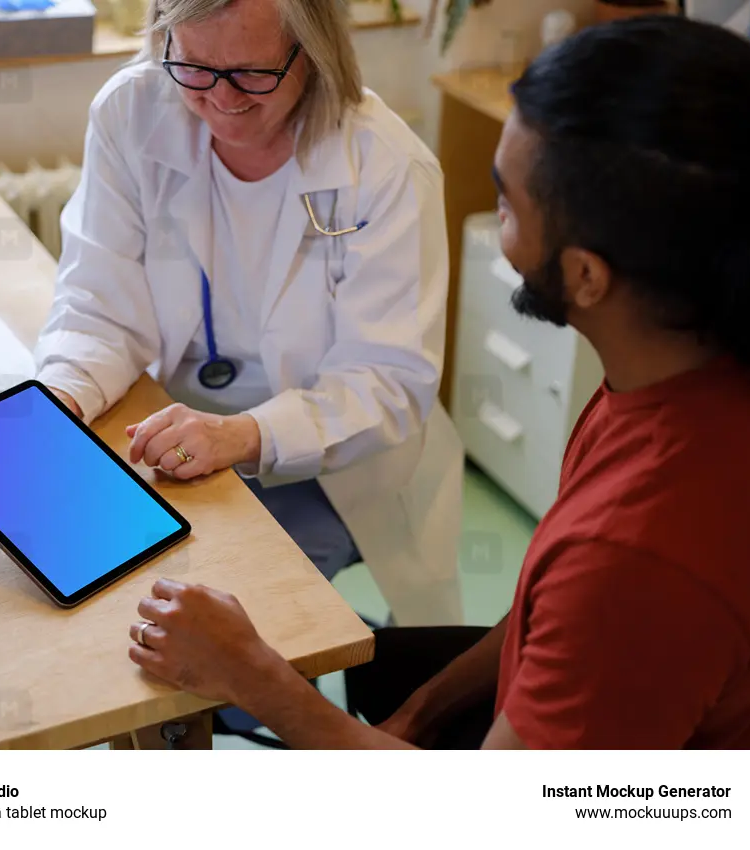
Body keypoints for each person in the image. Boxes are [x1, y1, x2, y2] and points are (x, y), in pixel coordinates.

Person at [127, 15, 750, 748]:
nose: (490, 212)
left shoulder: (641, 557)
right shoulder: (679, 378)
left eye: (504, 201)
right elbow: (542, 610)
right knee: (387, 674)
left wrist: (251, 675)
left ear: (586, 275)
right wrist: (422, 713)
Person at [34, 0, 464, 626]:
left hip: (337, 462)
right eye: (194, 66)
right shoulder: (131, 113)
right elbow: (99, 302)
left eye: (252, 73)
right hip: (177, 431)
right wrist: (63, 394)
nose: (221, 97)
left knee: (221, 640)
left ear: (314, 52)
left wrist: (240, 435)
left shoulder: (387, 167)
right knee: (88, 593)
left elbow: (387, 381)